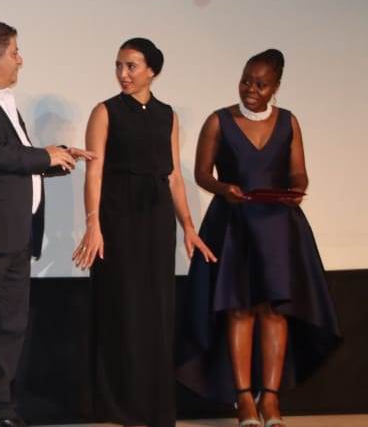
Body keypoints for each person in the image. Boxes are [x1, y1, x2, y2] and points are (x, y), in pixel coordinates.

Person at [0, 20, 93, 427]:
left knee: (9, 328)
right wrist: (45, 155)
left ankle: (2, 408)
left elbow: (14, 158)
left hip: (13, 234)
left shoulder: (1, 99)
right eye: (15, 52)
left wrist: (59, 157)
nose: (20, 60)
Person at [176, 49, 340, 426]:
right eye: (246, 80)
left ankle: (271, 399)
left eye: (261, 84)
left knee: (275, 310)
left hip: (278, 227)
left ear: (276, 87)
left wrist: (297, 189)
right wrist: (224, 189)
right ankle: (243, 400)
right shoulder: (218, 121)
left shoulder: (289, 122)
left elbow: (298, 172)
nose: (251, 89)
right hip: (233, 225)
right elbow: (202, 174)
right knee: (239, 309)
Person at [73, 37, 216, 427]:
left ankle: (153, 405)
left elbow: (174, 177)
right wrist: (93, 224)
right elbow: (94, 173)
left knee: (155, 310)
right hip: (118, 217)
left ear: (152, 71)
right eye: (118, 65)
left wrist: (188, 227)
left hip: (156, 219)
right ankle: (120, 405)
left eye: (131, 66)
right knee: (123, 307)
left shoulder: (167, 115)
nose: (123, 73)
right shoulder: (105, 111)